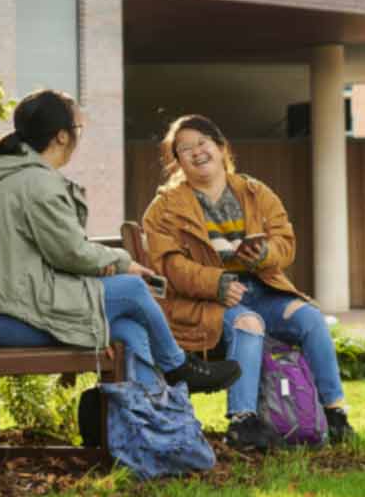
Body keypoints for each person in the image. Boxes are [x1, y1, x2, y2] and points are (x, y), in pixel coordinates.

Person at [0, 89, 240, 396]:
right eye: (78, 129)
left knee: (127, 330)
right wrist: (123, 263)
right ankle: (179, 367)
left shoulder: (16, 177)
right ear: (62, 137)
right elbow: (71, 253)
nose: (79, 138)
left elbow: (54, 256)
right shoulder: (37, 183)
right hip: (7, 319)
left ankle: (151, 421)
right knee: (132, 290)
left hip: (8, 311)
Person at [141, 115, 354, 449]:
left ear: (221, 147)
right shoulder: (164, 207)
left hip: (262, 290)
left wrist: (265, 254)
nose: (196, 152)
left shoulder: (256, 193)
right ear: (177, 160)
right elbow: (168, 265)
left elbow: (285, 241)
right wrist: (216, 283)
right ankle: (243, 423)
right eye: (185, 149)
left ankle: (335, 413)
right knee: (248, 323)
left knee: (311, 319)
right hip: (205, 301)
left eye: (202, 143)